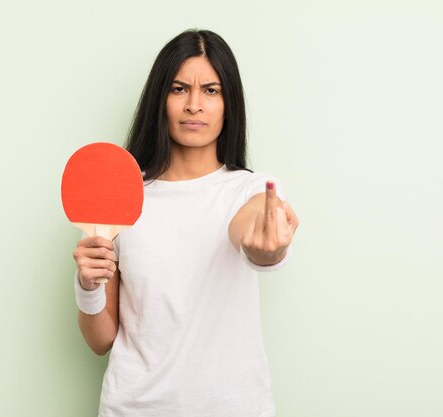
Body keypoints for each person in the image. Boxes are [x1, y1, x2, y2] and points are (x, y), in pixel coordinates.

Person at [72, 29, 299, 417]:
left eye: (211, 91)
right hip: (134, 407)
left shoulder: (248, 191)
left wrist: (268, 246)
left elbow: (249, 231)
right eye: (179, 89)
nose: (195, 105)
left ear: (230, 104)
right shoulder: (121, 198)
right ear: (160, 100)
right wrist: (87, 284)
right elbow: (101, 341)